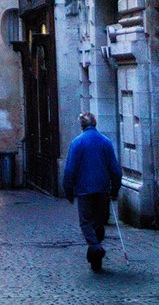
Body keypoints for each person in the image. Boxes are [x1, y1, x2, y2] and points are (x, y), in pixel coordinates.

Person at [62, 111, 122, 273]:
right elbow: (116, 171)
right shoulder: (105, 142)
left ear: (82, 126)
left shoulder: (77, 143)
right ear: (95, 124)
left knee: (86, 222)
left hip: (84, 190)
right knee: (99, 222)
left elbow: (70, 170)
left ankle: (96, 248)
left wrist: (68, 191)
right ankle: (95, 257)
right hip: (103, 189)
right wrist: (115, 189)